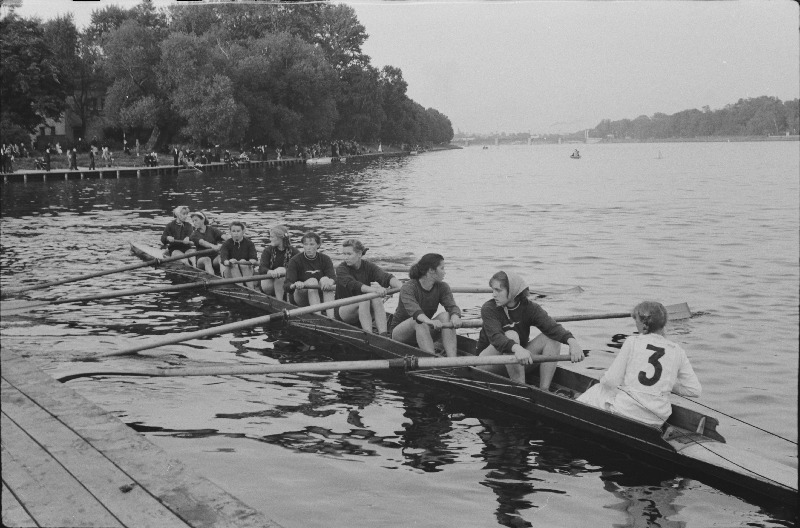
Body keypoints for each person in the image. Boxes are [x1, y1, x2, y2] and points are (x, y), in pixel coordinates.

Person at [576, 301, 701, 426]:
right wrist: (666, 384)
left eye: (636, 321)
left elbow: (610, 382)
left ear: (643, 324)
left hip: (626, 412)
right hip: (658, 419)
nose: (635, 324)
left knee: (599, 389)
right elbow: (694, 390)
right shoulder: (677, 350)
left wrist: (602, 379)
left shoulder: (632, 341)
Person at [476, 270, 584, 387]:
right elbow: (496, 338)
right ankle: (521, 387)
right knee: (511, 335)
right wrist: (517, 348)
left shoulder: (529, 308)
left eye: (498, 290)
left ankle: (543, 391)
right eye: (493, 289)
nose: (494, 294)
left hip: (517, 360)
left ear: (512, 291)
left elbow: (552, 327)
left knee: (552, 338)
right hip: (487, 363)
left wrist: (572, 342)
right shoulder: (489, 308)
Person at [390, 253, 462, 357]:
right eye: (442, 268)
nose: (444, 272)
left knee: (446, 315)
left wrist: (455, 317)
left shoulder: (442, 287)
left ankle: (452, 360)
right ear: (431, 270)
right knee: (418, 321)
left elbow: (452, 307)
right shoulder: (408, 287)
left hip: (423, 329)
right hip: (400, 334)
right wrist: (430, 321)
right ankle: (431, 360)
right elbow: (416, 313)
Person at [335, 239, 403, 335]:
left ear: (359, 254)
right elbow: (355, 285)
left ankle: (383, 334)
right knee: (366, 298)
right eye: (344, 254)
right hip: (343, 310)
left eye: (349, 254)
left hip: (363, 309)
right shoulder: (341, 269)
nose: (345, 258)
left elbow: (385, 277)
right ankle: (369, 335)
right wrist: (375, 290)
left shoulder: (368, 266)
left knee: (374, 298)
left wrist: (402, 287)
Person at [285, 231, 336, 317]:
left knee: (326, 280)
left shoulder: (325, 259)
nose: (308, 248)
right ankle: (318, 317)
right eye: (306, 244)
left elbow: (333, 277)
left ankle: (332, 318)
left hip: (319, 297)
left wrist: (330, 282)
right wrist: (295, 284)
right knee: (313, 281)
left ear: (318, 245)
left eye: (312, 244)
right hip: (300, 297)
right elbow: (286, 285)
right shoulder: (295, 261)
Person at [258, 225, 298, 300]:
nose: (270, 239)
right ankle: (280, 301)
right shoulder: (268, 250)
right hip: (268, 284)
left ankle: (284, 299)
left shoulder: (294, 251)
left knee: (282, 271)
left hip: (287, 284)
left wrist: (285, 270)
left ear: (280, 238)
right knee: (280, 272)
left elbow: (299, 269)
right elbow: (261, 268)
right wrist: (270, 271)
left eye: (272, 237)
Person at [219, 221, 259, 289]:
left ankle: (250, 288)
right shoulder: (226, 244)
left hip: (245, 270)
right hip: (230, 271)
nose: (236, 233)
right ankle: (241, 288)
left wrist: (243, 262)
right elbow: (223, 258)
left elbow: (253, 259)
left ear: (243, 231)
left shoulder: (249, 244)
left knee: (243, 262)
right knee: (234, 263)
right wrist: (228, 262)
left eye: (238, 231)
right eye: (233, 231)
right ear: (230, 232)